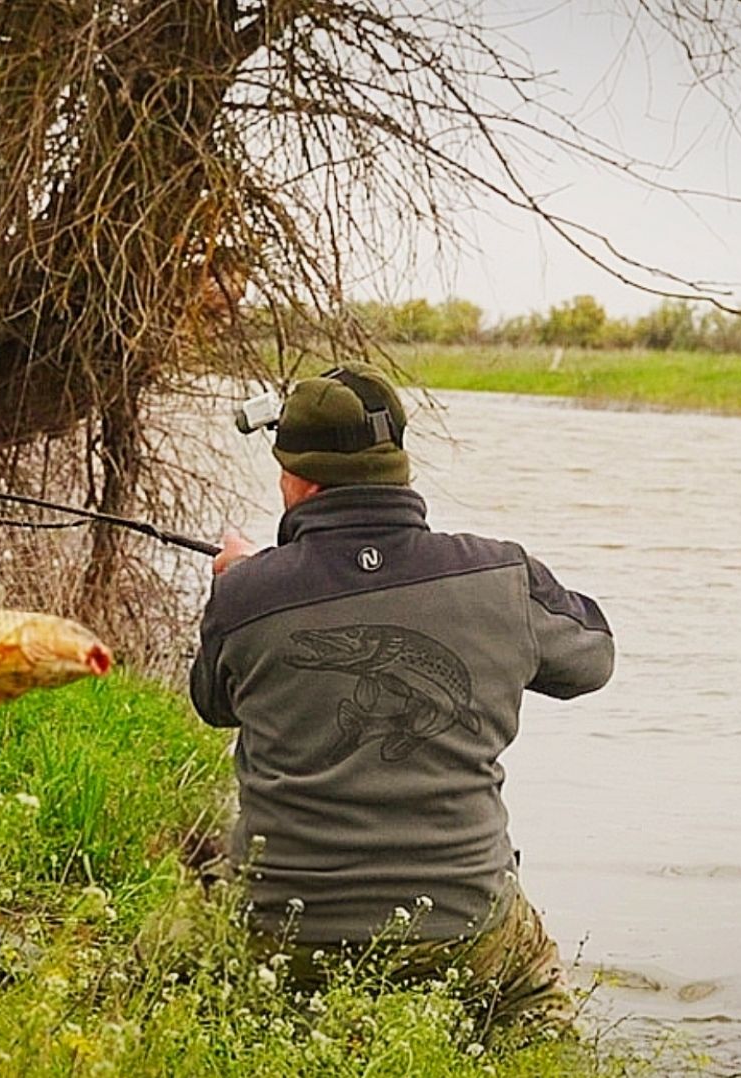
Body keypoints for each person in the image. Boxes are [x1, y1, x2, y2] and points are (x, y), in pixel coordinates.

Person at [188, 363, 615, 1037]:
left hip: (282, 934)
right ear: (398, 467)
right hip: (465, 928)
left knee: (169, 959)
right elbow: (592, 662)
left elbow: (212, 702)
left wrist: (241, 580)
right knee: (535, 1003)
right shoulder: (501, 574)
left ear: (295, 479)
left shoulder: (244, 596)